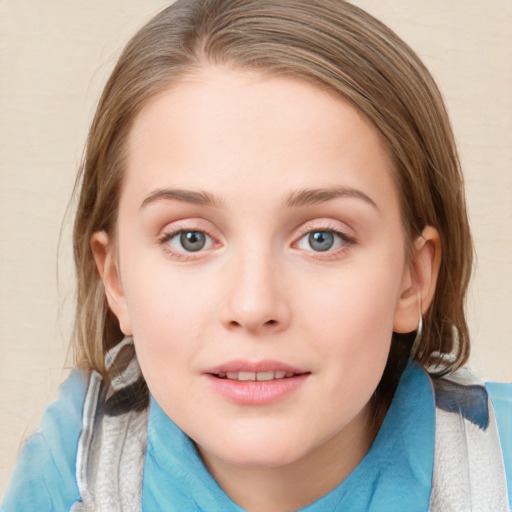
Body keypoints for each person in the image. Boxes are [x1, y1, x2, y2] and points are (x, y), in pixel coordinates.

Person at [2, 0, 511, 511]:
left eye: (322, 238)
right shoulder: (61, 480)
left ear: (412, 277)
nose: (252, 305)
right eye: (190, 239)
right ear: (116, 279)